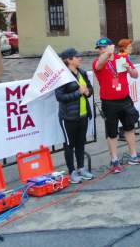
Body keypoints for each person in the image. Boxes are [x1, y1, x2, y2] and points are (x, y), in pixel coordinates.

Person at [93, 38, 140, 173]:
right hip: (109, 102)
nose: (101, 50)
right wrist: (107, 53)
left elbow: (135, 75)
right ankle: (114, 160)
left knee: (129, 128)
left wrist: (129, 68)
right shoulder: (99, 61)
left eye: (103, 47)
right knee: (112, 133)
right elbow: (98, 66)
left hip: (124, 99)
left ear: (110, 46)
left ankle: (133, 156)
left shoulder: (121, 59)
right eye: (99, 48)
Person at [55, 48, 94, 184]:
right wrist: (78, 93)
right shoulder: (62, 76)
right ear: (69, 60)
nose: (80, 58)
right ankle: (71, 171)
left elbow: (89, 89)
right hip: (68, 117)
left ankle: (81, 168)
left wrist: (88, 92)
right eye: (77, 57)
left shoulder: (82, 72)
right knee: (69, 145)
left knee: (80, 143)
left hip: (83, 115)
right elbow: (59, 97)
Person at [116, 39, 140, 141]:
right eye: (129, 47)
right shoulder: (123, 57)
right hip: (120, 87)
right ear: (124, 48)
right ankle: (124, 131)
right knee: (127, 111)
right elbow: (134, 74)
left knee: (126, 110)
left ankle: (128, 129)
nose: (131, 48)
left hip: (120, 86)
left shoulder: (121, 56)